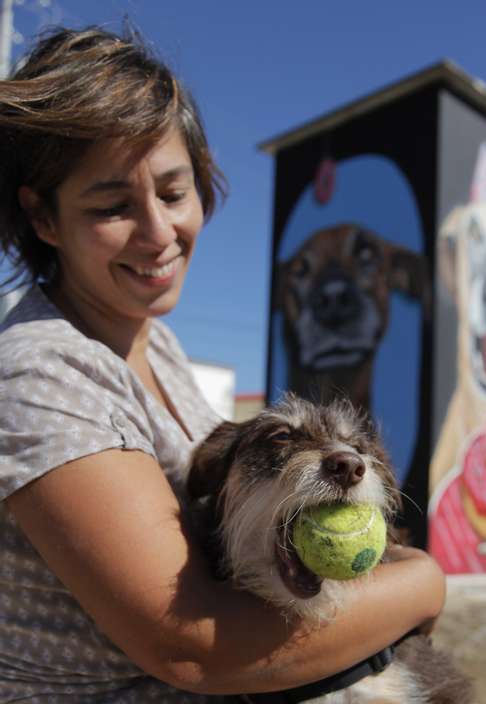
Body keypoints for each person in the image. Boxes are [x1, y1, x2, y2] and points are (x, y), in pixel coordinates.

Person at [0, 25, 446, 703]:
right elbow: (191, 649)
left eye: (174, 194)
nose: (158, 234)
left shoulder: (156, 345)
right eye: (113, 206)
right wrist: (423, 582)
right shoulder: (38, 371)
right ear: (44, 217)